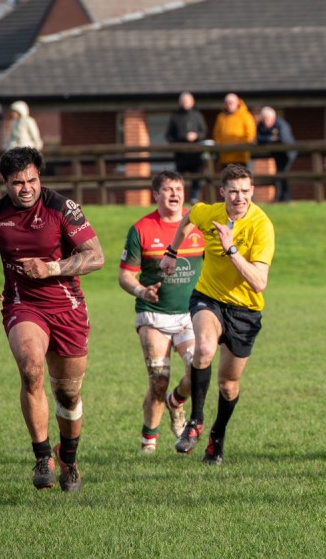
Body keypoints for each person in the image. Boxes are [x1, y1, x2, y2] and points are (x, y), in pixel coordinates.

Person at [0, 146, 105, 492]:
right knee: (30, 369)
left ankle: (68, 456)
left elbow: (96, 257)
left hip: (68, 309)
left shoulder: (62, 208)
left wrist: (50, 268)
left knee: (68, 395)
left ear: (40, 177)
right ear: (5, 182)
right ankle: (42, 456)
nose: (26, 188)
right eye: (17, 182)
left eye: (32, 180)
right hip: (23, 306)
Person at [160, 163, 274, 466]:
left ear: (253, 192)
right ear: (223, 192)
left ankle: (217, 435)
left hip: (246, 310)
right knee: (205, 349)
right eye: (233, 191)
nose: (239, 197)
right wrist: (172, 252)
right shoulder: (210, 213)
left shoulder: (261, 226)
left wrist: (231, 249)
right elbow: (189, 216)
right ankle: (194, 422)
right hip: (208, 297)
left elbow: (259, 282)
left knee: (228, 384)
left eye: (245, 191)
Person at [119, 171, 206, 453]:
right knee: (159, 379)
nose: (174, 194)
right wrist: (141, 291)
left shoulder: (198, 228)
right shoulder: (141, 229)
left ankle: (176, 402)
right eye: (167, 189)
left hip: (190, 315)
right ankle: (149, 444)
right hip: (153, 315)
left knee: (199, 371)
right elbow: (125, 275)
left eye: (178, 189)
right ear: (155, 194)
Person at [165, 92, 209, 203]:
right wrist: (183, 138)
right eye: (184, 101)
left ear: (192, 102)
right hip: (181, 155)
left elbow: (203, 132)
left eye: (188, 101)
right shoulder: (175, 117)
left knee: (196, 177)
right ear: (180, 102)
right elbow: (169, 136)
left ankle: (194, 197)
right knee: (178, 179)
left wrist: (196, 136)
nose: (186, 103)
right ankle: (179, 197)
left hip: (195, 154)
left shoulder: (197, 116)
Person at [256, 106, 297, 203]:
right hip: (277, 154)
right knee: (279, 174)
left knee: (283, 174)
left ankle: (285, 198)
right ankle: (280, 198)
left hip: (288, 154)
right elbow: (259, 139)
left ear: (273, 118)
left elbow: (284, 140)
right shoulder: (261, 125)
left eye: (268, 119)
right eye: (264, 119)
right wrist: (271, 138)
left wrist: (268, 139)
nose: (266, 122)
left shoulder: (282, 125)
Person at [212, 93, 256, 169]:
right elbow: (217, 133)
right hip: (225, 156)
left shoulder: (245, 116)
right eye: (227, 103)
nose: (229, 105)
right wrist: (220, 145)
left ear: (237, 103)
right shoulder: (221, 117)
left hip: (240, 156)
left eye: (231, 103)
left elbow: (250, 134)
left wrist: (243, 146)